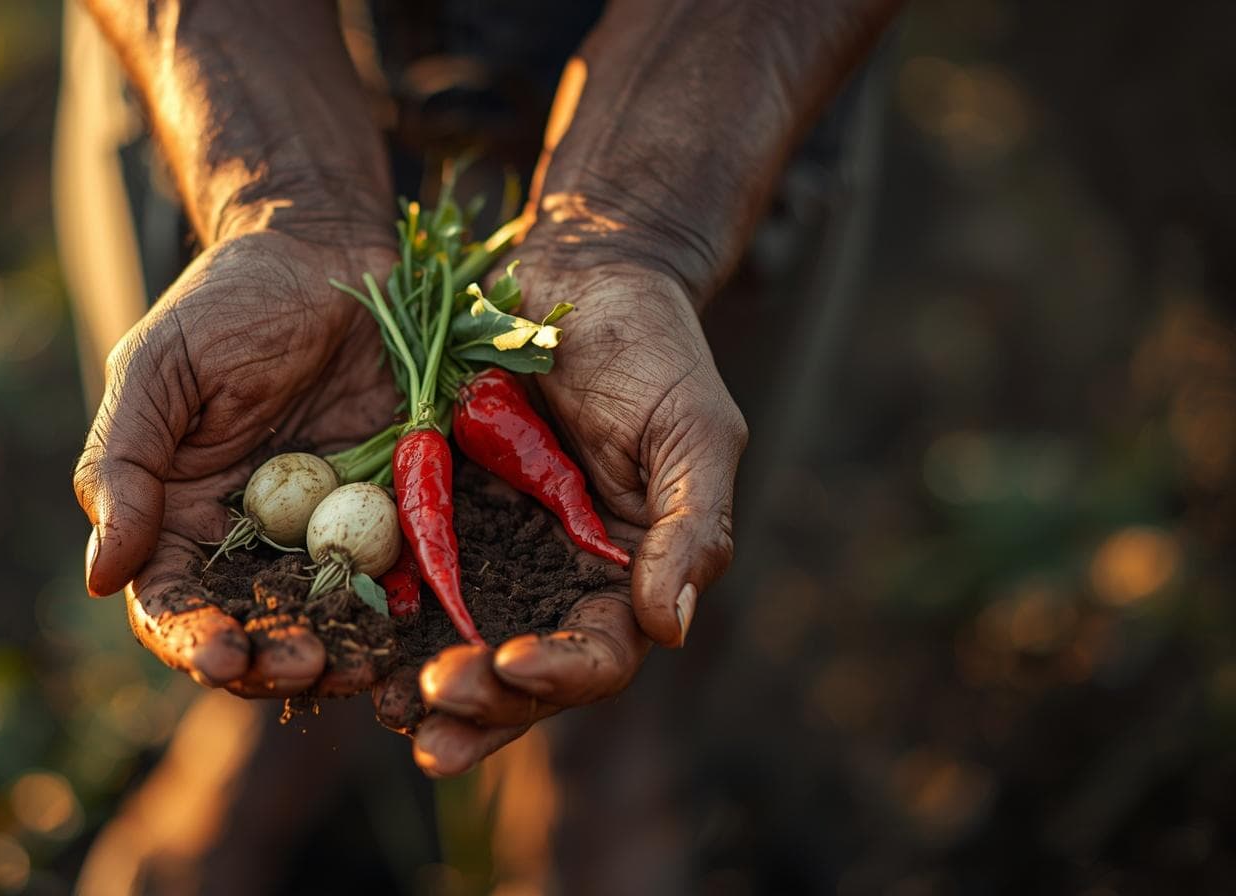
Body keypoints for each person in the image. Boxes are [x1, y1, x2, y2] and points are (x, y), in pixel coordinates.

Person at [60, 0, 901, 887]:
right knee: (238, 483)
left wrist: (629, 224)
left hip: (720, 72)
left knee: (636, 515)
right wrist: (278, 198)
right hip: (236, 55)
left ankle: (602, 762)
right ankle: (258, 714)